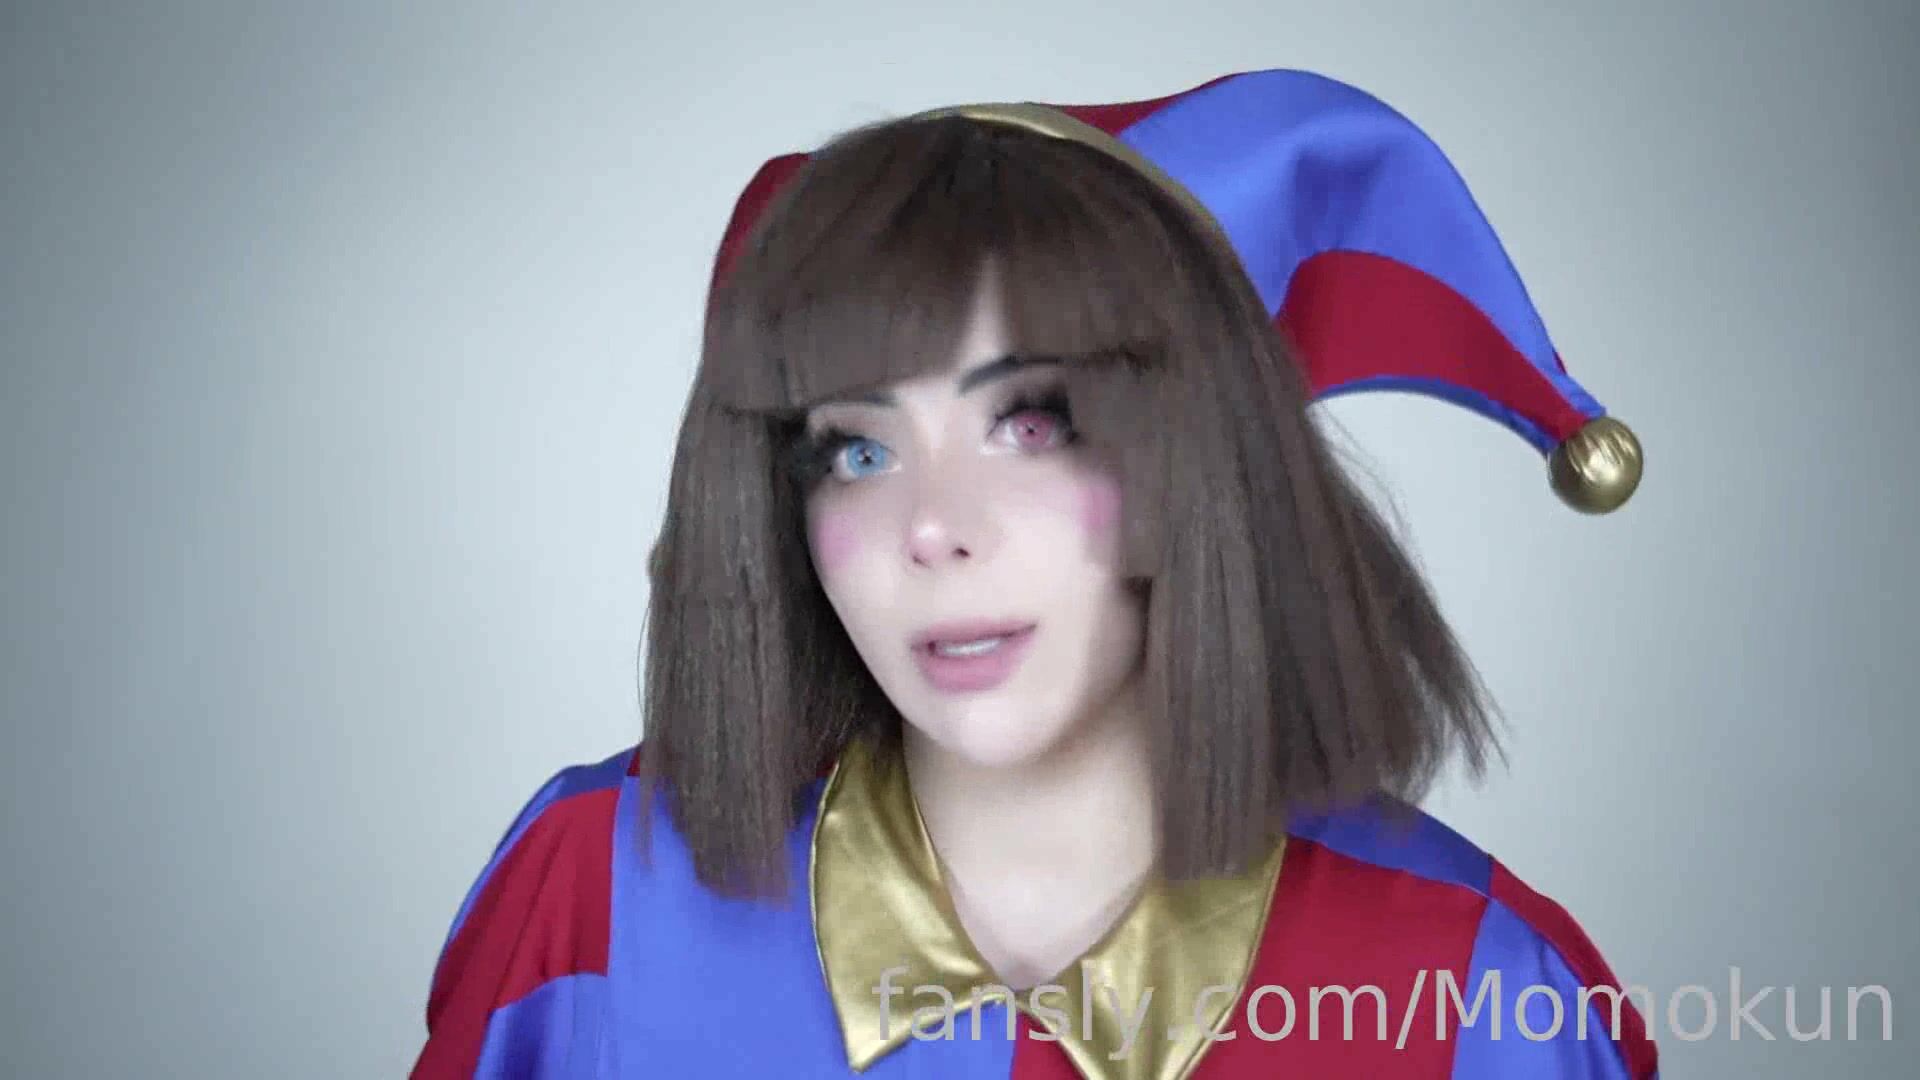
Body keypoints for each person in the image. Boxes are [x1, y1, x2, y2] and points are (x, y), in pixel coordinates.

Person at [411, 68, 1654, 1079]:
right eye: (857, 449)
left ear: (1201, 470)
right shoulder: (592, 898)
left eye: (1034, 423)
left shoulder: (1478, 987)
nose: (934, 528)